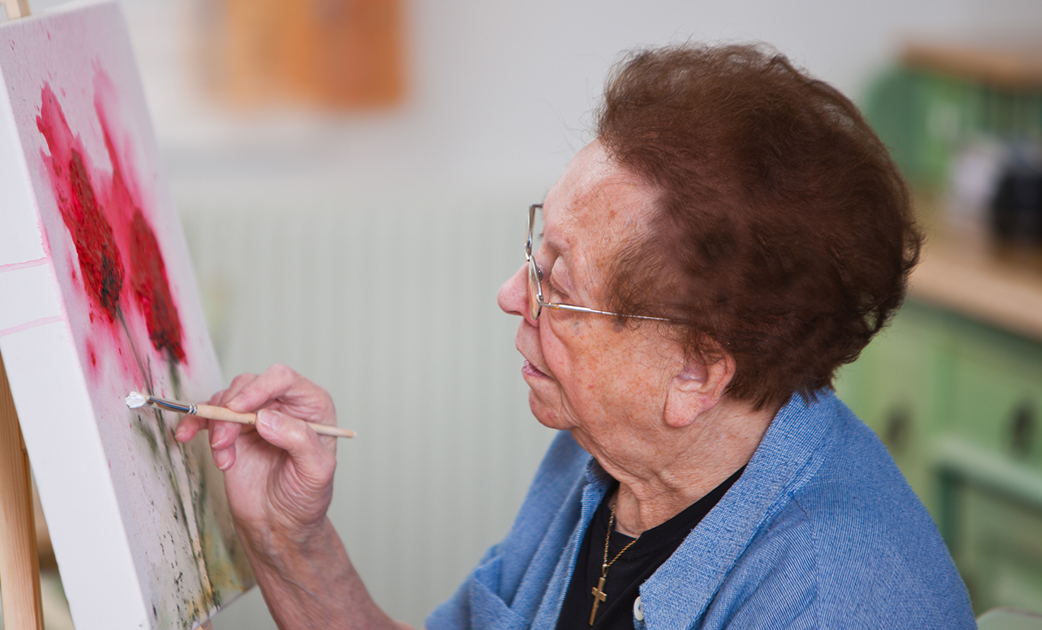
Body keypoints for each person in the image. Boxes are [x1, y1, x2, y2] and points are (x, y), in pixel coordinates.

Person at [176, 43, 977, 629]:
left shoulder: (826, 603)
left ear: (696, 373)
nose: (510, 295)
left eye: (558, 286)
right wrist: (289, 537)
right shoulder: (606, 454)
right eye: (539, 249)